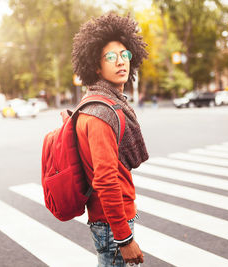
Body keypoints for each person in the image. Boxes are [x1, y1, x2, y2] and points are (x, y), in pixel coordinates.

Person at [71, 13, 149, 266]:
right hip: (111, 224)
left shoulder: (99, 104)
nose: (121, 62)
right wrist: (124, 239)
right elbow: (105, 179)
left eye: (125, 55)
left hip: (109, 221)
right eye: (111, 57)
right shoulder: (101, 113)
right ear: (96, 65)